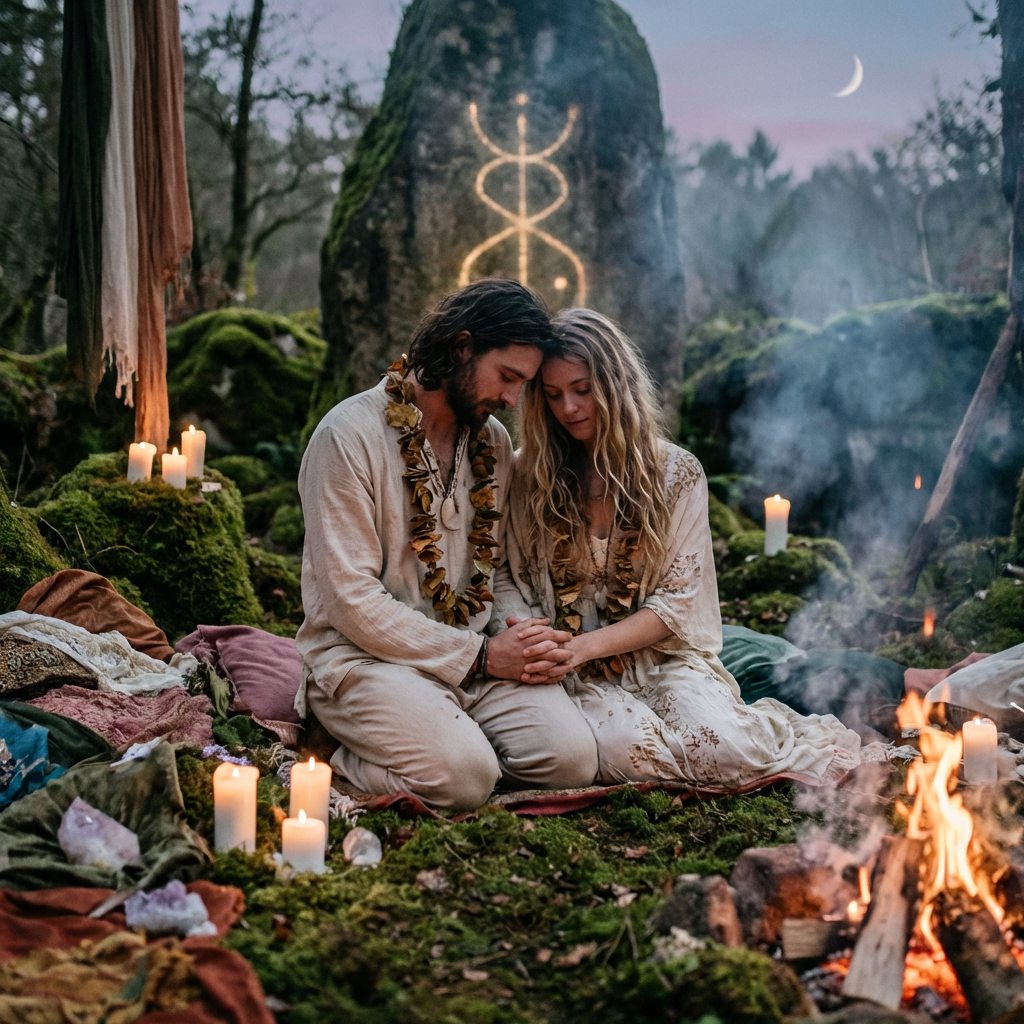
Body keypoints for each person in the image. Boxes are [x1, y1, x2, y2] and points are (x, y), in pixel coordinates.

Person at [498, 307, 862, 789]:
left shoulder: (676, 474)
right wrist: (542, 643)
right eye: (553, 395)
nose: (568, 408)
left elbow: (675, 605)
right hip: (566, 669)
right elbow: (507, 576)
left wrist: (586, 646)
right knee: (628, 749)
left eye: (583, 389)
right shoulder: (527, 475)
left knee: (727, 747)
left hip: (661, 659)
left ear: (616, 384)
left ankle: (754, 737)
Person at [296, 280, 598, 811]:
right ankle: (338, 755)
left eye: (522, 385)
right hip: (365, 660)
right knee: (466, 779)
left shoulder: (492, 441)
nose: (511, 400)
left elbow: (493, 569)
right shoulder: (347, 435)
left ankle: (440, 744)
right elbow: (351, 601)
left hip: (472, 657)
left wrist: (521, 639)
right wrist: (482, 657)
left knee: (571, 759)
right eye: (507, 377)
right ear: (462, 348)